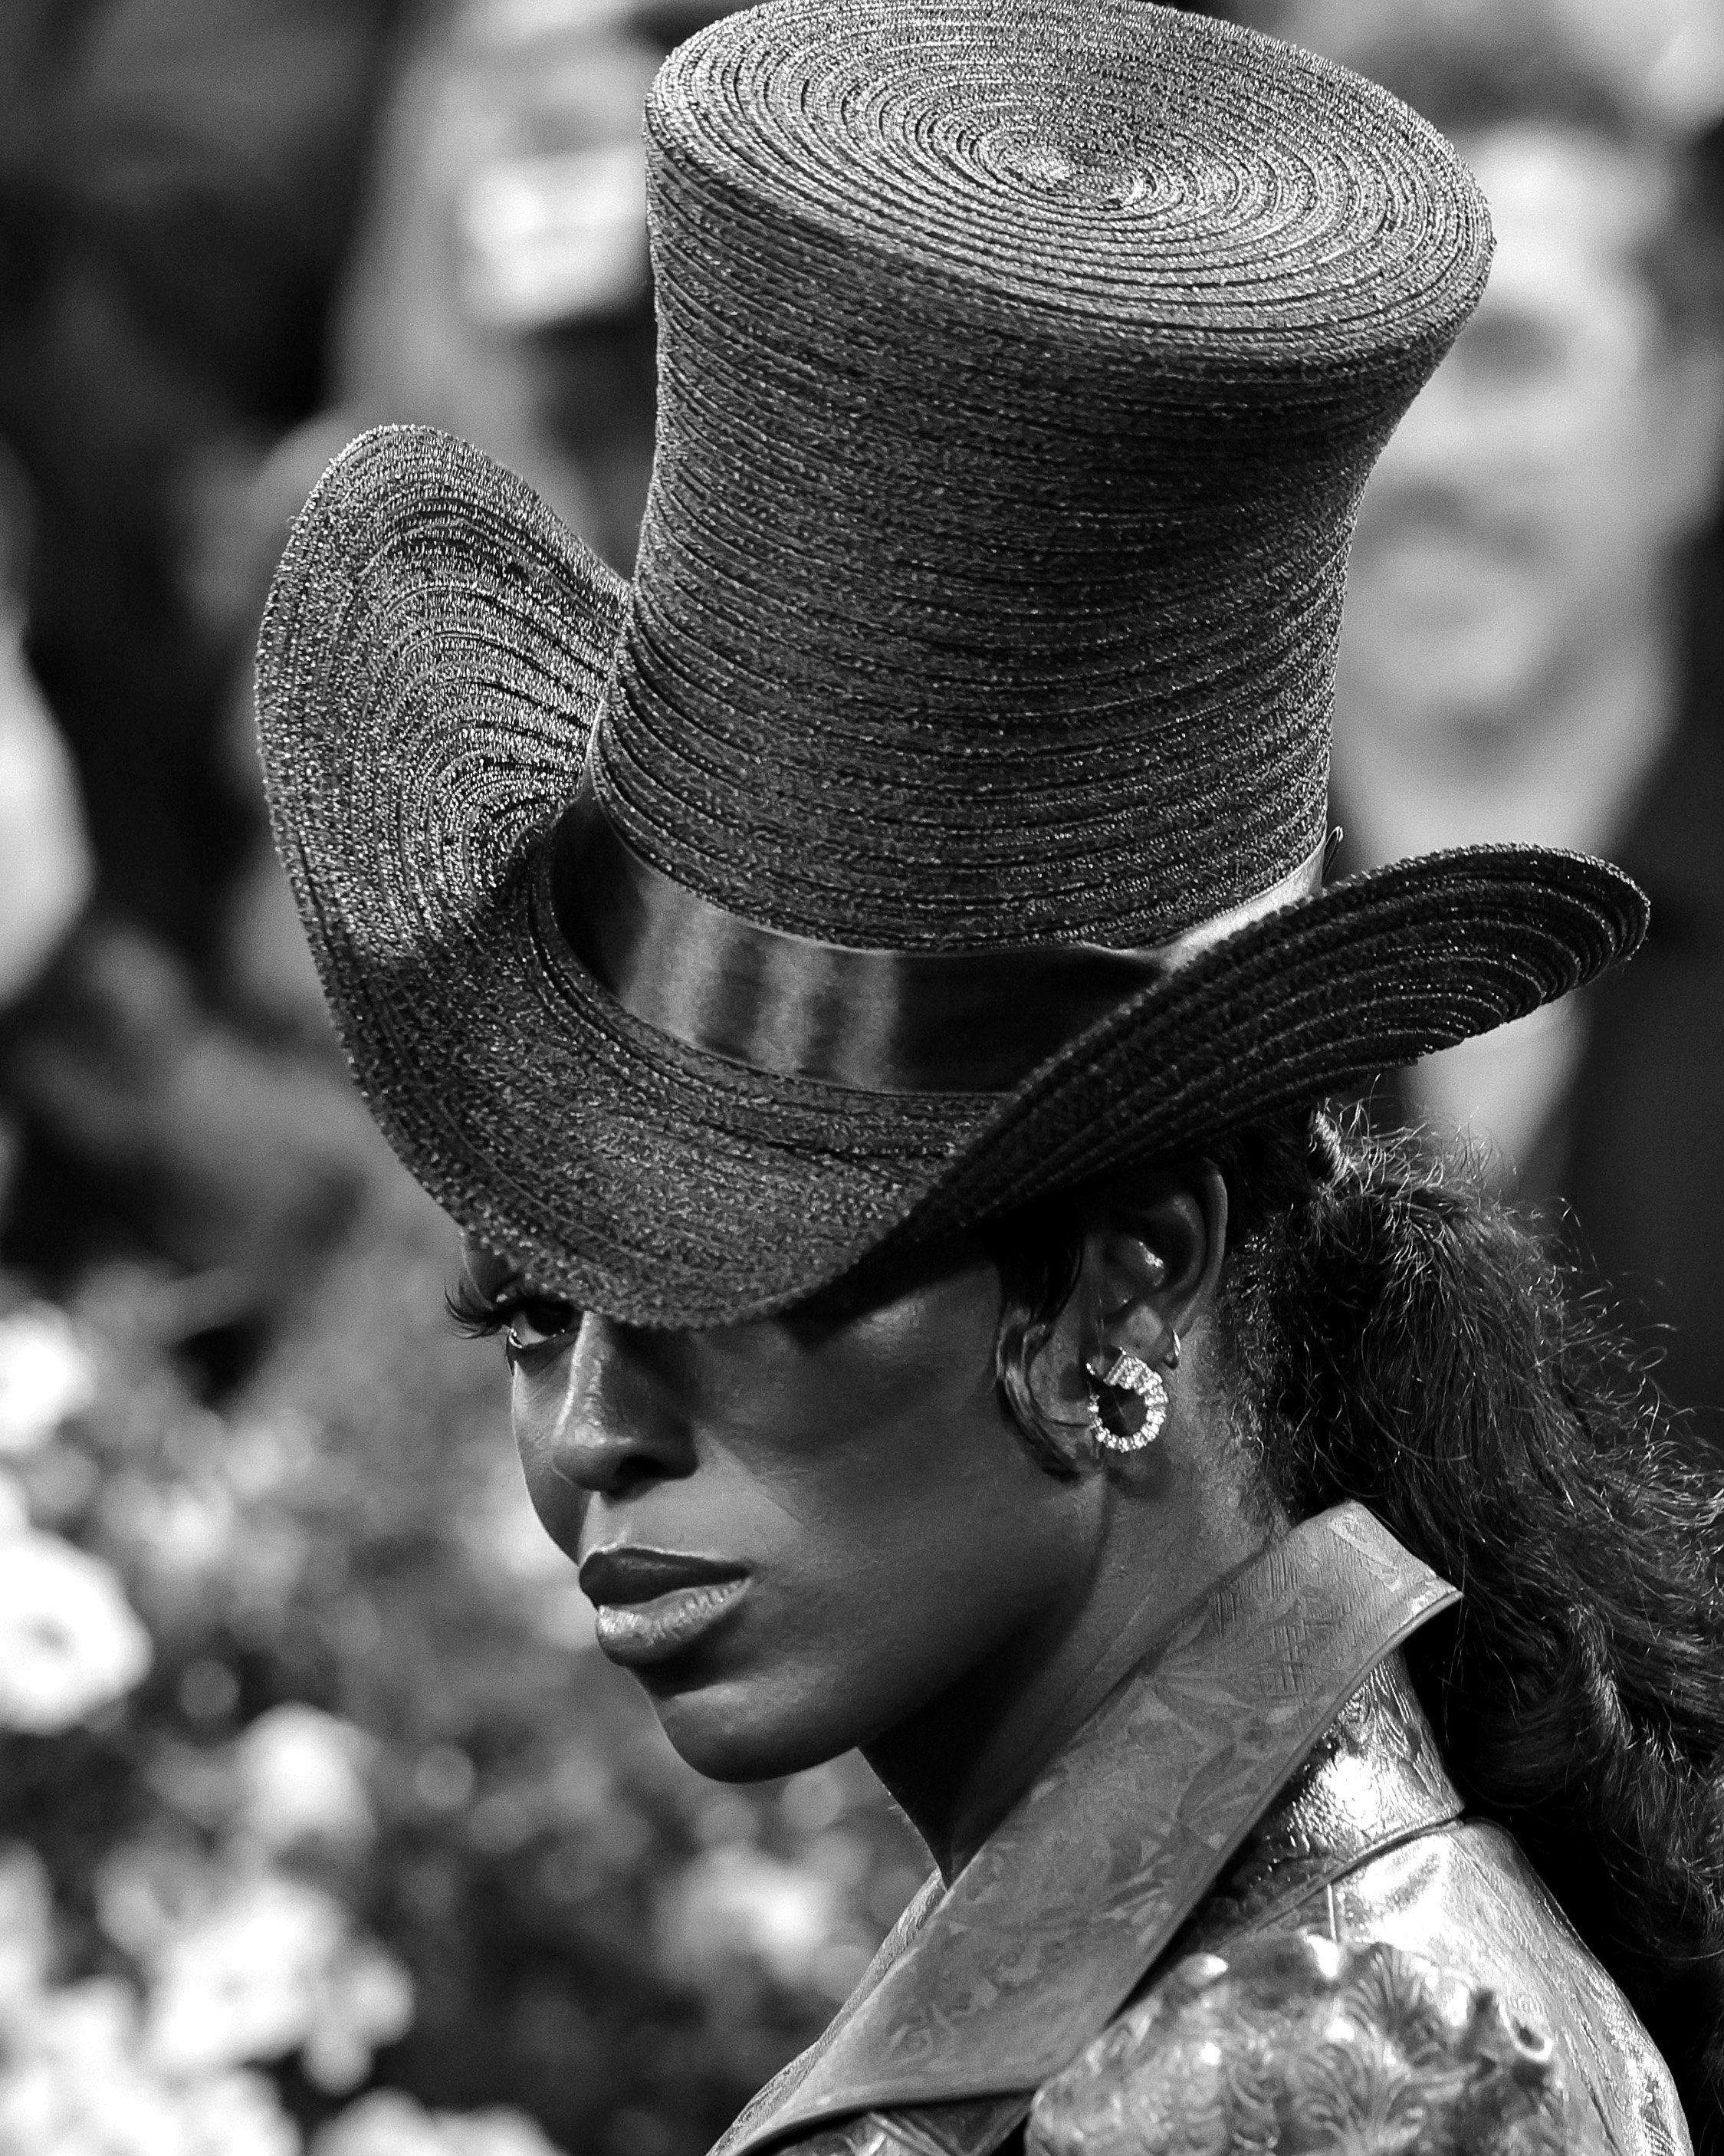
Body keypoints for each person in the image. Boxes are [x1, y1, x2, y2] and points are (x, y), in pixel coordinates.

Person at [254, 2, 1721, 2151]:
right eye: (529, 1303)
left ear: (1126, 1294)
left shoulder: (1309, 2084)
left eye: (722, 1277)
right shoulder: (1234, 1992)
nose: (584, 1440)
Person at [1260, 0, 1724, 1437]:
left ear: (1687, 418)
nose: (1432, 456)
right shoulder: (1122, 963)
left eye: (1513, 356)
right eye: (1372, 370)